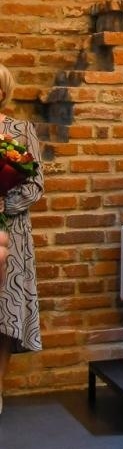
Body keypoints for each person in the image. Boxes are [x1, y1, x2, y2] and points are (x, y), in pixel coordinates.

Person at [0, 63, 43, 416]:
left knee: (4, 315)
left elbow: (35, 185)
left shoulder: (21, 130)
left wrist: (2, 202)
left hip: (9, 233)